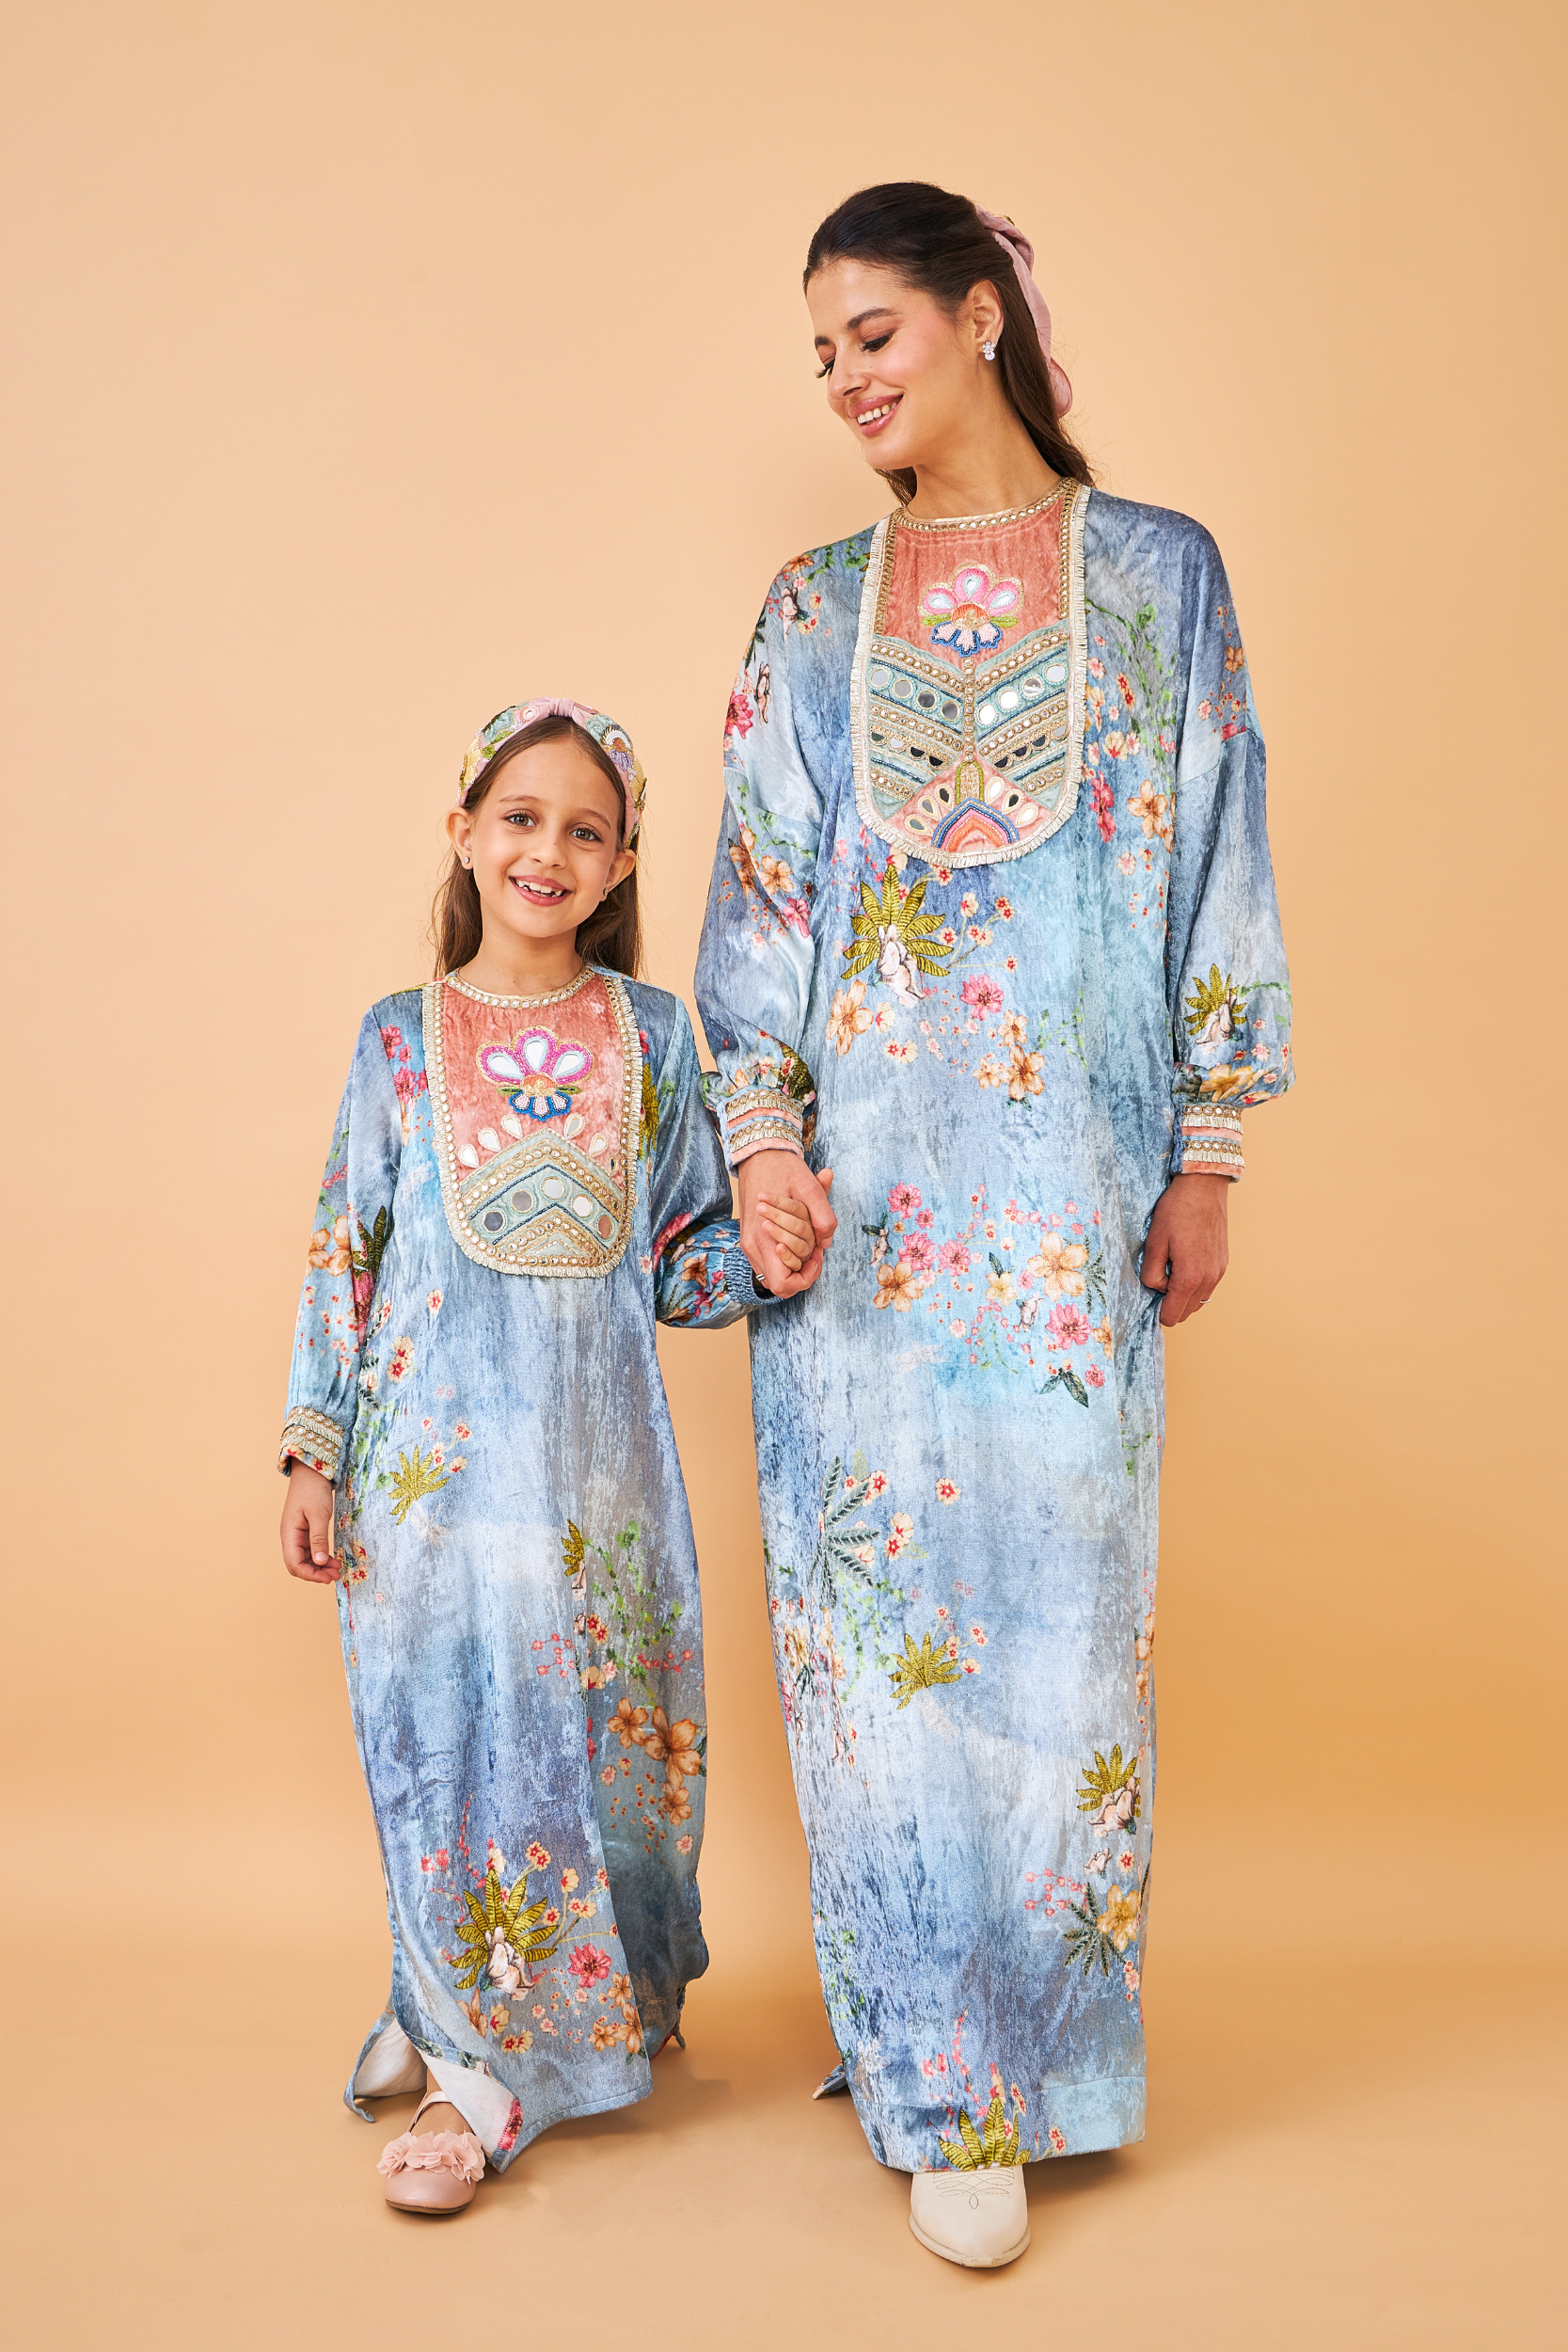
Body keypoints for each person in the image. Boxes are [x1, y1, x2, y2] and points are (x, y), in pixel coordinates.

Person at [695, 182, 1293, 2269]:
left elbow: (1214, 849)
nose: (845, 378)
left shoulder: (1154, 576)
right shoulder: (806, 610)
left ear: (977, 316)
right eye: (820, 352)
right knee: (869, 1639)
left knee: (1056, 1634)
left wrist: (1205, 1147)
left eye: (871, 332)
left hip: (1062, 1217)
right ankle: (930, 2063)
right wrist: (759, 1147)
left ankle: (1036, 2055)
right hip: (857, 1229)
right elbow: (760, 893)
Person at [278, 698, 815, 2215]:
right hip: (428, 1492)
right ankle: (477, 2062)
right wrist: (313, 1452)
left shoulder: (652, 1039)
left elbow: (680, 1263)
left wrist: (773, 1254)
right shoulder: (398, 1036)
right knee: (450, 1752)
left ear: (621, 863)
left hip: (597, 1493)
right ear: (462, 834)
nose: (548, 850)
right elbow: (341, 1250)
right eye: (519, 817)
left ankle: (515, 2004)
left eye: (586, 829)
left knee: (597, 1755)